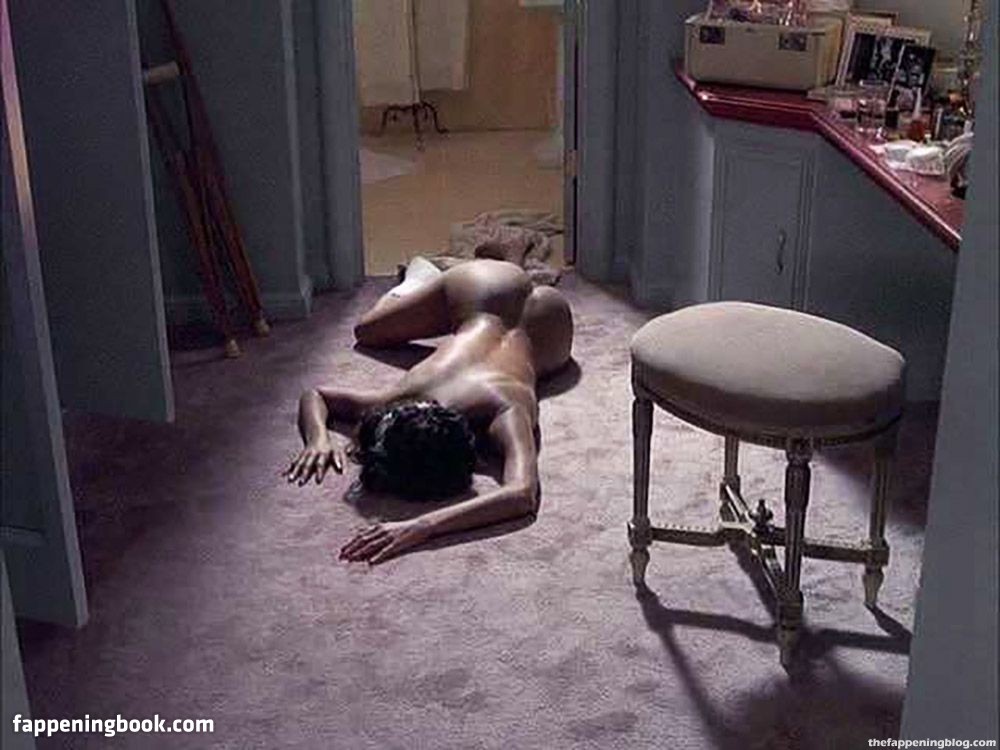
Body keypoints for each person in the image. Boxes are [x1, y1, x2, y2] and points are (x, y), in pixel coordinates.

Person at [283, 258, 574, 564]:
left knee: (366, 332)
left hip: (535, 315)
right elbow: (316, 396)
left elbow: (523, 495)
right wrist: (317, 439)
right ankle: (445, 270)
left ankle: (428, 272)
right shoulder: (418, 399)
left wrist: (424, 525)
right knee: (366, 332)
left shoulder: (504, 406)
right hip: (507, 299)